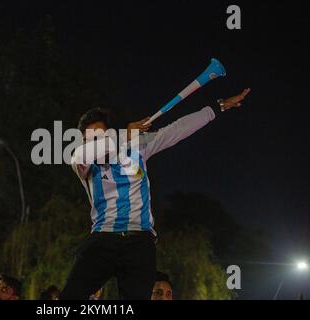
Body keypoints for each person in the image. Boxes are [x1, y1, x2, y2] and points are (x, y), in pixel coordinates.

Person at [60, 88, 251, 300]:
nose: (96, 143)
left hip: (140, 242)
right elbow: (78, 156)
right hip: (103, 239)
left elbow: (177, 129)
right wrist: (124, 134)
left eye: (100, 136)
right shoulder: (84, 165)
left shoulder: (138, 147)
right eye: (91, 139)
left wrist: (218, 107)